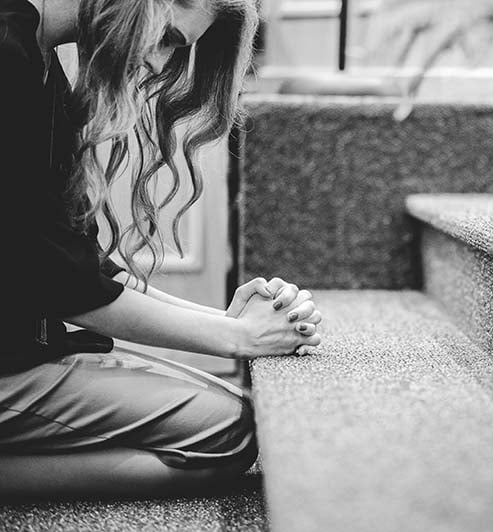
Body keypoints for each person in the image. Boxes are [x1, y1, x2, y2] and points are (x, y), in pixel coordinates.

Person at [0, 0, 322, 499]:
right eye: (168, 38)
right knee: (226, 433)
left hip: (18, 349)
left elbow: (75, 261)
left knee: (233, 415)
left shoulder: (38, 56)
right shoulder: (8, 56)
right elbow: (54, 280)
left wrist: (229, 325)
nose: (156, 65)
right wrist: (236, 340)